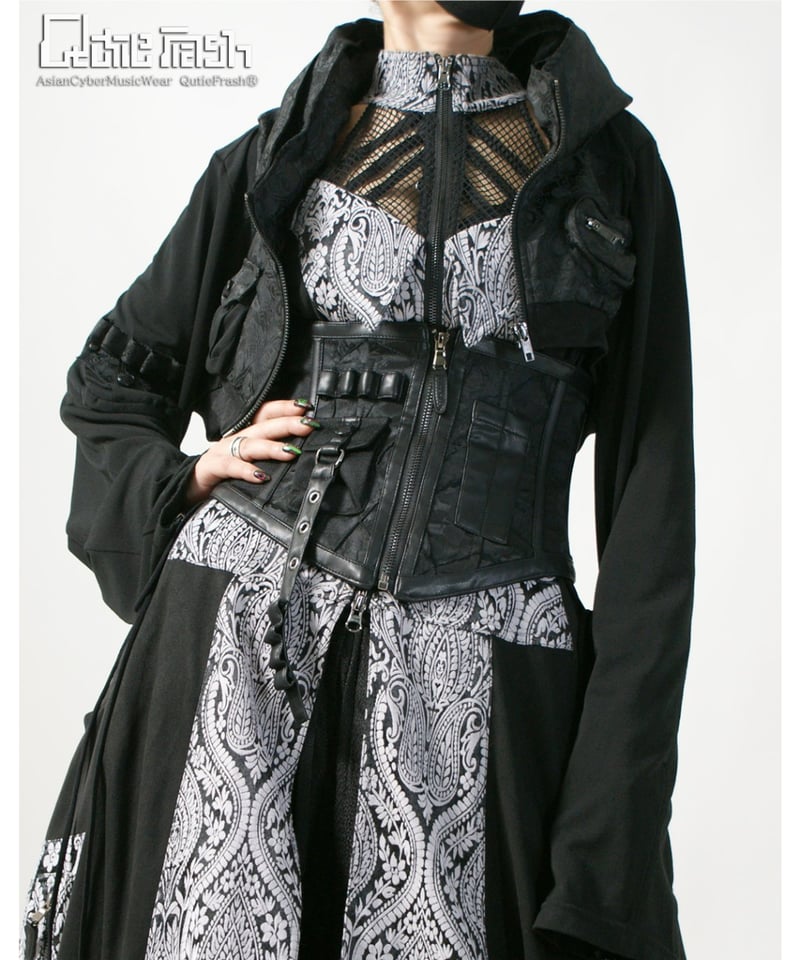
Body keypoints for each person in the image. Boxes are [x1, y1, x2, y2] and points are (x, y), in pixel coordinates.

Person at [21, 2, 695, 959]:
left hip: (488, 694)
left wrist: (609, 839)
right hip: (240, 657)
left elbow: (653, 522)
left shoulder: (609, 168)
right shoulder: (278, 153)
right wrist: (189, 477)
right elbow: (109, 384)